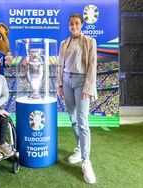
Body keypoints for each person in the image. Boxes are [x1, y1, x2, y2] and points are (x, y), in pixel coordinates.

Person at [57, 13, 97, 184]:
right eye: (71, 24)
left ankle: (86, 162)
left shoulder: (89, 42)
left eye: (76, 23)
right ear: (69, 26)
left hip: (82, 82)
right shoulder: (64, 43)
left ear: (81, 25)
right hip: (66, 81)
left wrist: (88, 87)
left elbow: (92, 65)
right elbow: (60, 65)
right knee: (73, 118)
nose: (74, 26)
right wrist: (59, 85)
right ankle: (79, 148)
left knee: (82, 121)